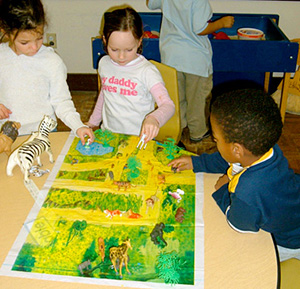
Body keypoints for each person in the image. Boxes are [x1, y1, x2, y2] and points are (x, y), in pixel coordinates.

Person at [168, 88, 300, 262]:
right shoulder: (266, 149)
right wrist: (197, 163)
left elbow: (238, 224)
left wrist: (223, 190)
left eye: (216, 139)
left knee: (235, 259)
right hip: (290, 210)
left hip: (288, 243)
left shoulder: (248, 190)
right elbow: (229, 160)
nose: (214, 142)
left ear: (237, 149)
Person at [0, 0, 94, 145]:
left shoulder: (51, 61)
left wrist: (78, 125)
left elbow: (61, 101)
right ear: (5, 31)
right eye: (24, 42)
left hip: (44, 135)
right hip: (6, 137)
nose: (34, 47)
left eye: (39, 38)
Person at [146, 0, 234, 142]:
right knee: (198, 100)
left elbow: (151, 4)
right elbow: (200, 28)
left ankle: (178, 130)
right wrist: (223, 23)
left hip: (171, 57)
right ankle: (198, 133)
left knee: (176, 99)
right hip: (195, 61)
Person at [86, 7, 175, 144]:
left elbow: (168, 105)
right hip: (109, 135)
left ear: (139, 41)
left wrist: (154, 118)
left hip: (138, 139)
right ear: (104, 40)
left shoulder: (146, 71)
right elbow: (106, 92)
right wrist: (93, 122)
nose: (121, 57)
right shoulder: (104, 63)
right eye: (114, 49)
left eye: (129, 49)